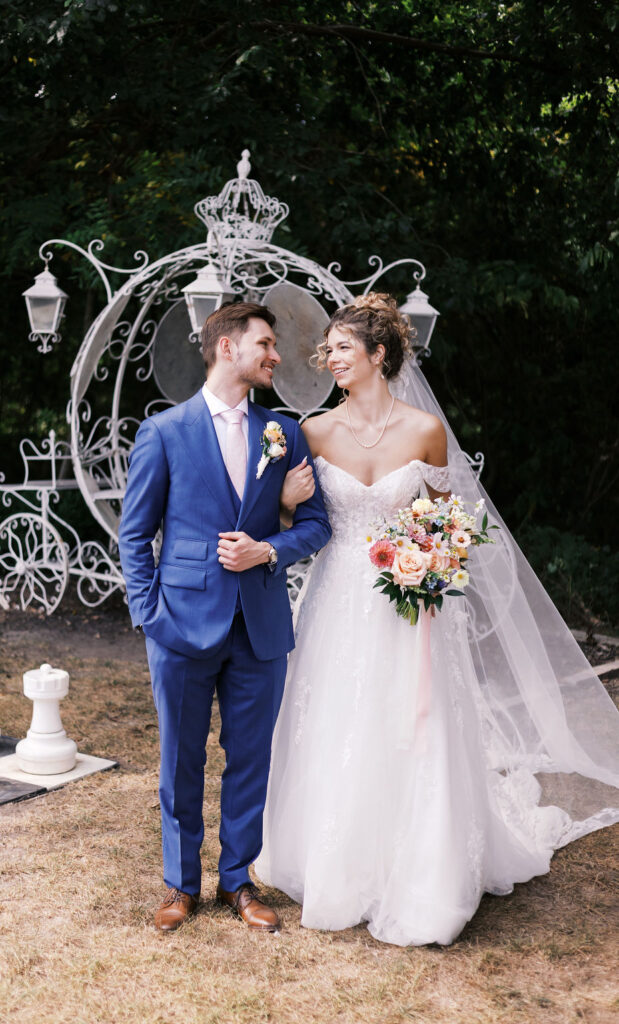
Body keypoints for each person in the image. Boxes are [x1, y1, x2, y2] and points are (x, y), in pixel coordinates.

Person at [256, 292, 619, 946]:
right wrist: (284, 500)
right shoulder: (312, 431)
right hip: (336, 596)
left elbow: (450, 524)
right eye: (328, 348)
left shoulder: (423, 431)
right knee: (337, 716)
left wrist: (425, 577)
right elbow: (297, 525)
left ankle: (422, 873)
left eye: (342, 347)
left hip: (408, 604)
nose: (329, 357)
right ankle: (335, 860)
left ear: (379, 354)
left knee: (411, 723)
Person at [119, 301, 331, 933]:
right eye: (265, 343)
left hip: (260, 624)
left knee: (252, 757)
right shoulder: (164, 432)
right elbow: (135, 537)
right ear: (227, 348)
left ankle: (238, 880)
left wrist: (268, 547)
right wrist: (150, 616)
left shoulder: (285, 433)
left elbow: (317, 525)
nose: (275, 355)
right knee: (179, 758)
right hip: (180, 623)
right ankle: (181, 885)